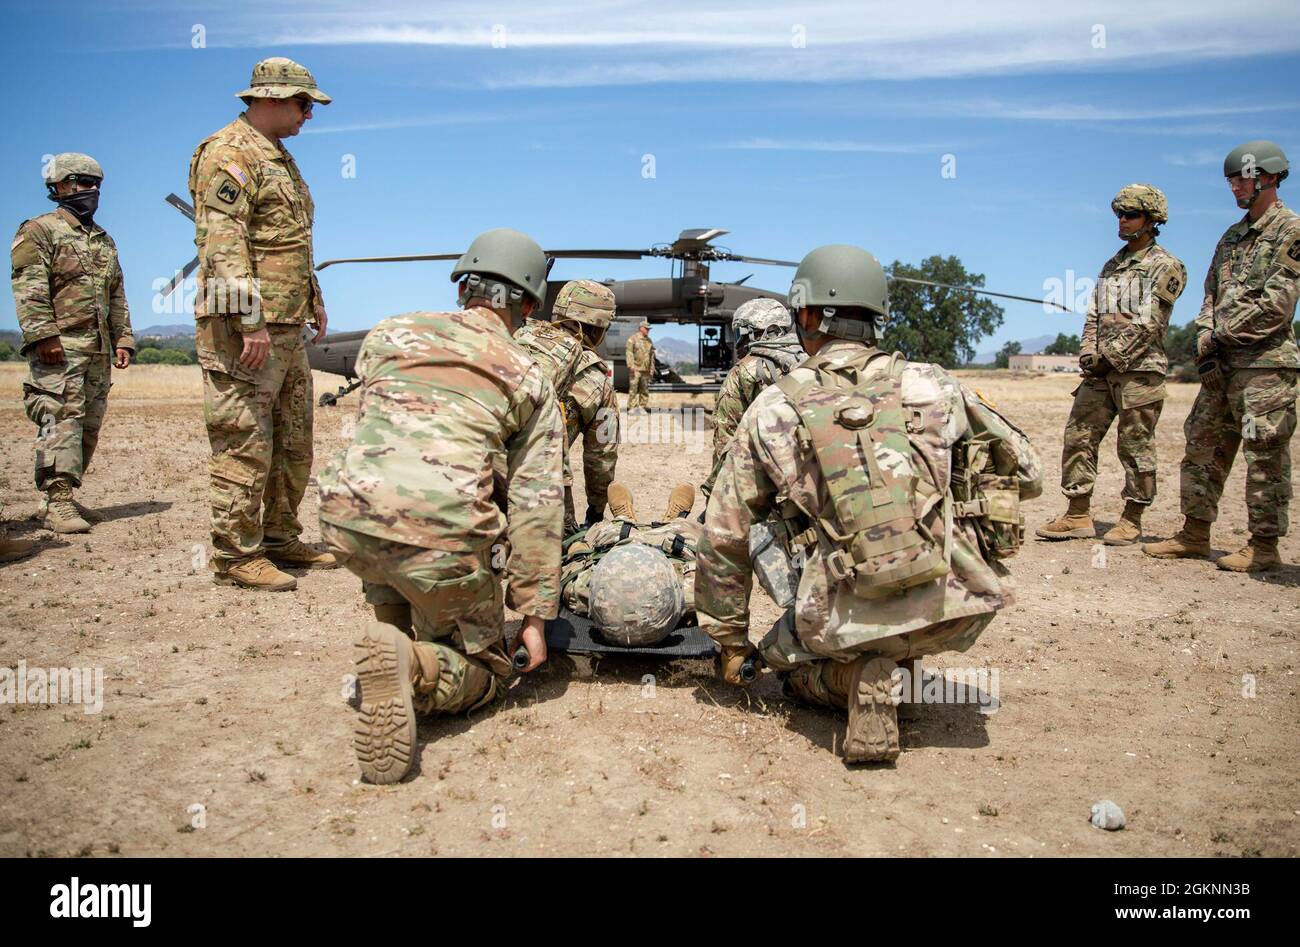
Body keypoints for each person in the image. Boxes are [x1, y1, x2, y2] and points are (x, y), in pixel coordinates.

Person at [696, 244, 1042, 763]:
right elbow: (1030, 474)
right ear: (877, 315)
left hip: (834, 617)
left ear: (808, 314)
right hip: (954, 608)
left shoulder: (774, 407)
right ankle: (897, 666)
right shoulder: (937, 384)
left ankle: (849, 676)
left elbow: (725, 534)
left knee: (789, 670)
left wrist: (732, 641)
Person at [318, 228, 565, 784]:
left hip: (347, 520)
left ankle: (394, 633)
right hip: (438, 541)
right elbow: (537, 503)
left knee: (392, 510)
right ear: (527, 303)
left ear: (463, 288)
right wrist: (532, 615)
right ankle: (416, 665)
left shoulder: (388, 334)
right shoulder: (527, 374)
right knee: (487, 672)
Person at [188, 57, 337, 591]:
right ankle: (235, 555)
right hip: (246, 328)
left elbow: (291, 242)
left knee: (293, 441)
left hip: (286, 323)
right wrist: (248, 319)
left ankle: (278, 536)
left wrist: (313, 297)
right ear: (272, 98)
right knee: (245, 439)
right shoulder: (228, 152)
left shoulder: (280, 160)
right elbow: (223, 243)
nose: (308, 116)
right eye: (304, 104)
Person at [1144, 140, 1299, 572]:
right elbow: (1210, 294)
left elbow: (1277, 305)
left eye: (1242, 178)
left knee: (1264, 453)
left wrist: (1220, 336)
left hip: (1266, 366)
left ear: (1268, 177)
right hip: (1222, 366)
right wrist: (1205, 336)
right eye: (1231, 180)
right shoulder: (1230, 236)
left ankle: (1263, 546)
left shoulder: (1292, 231)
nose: (1234, 187)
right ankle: (1194, 534)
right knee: (1202, 443)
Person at [1037, 184, 1187, 545]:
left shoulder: (1168, 266)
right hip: (1100, 373)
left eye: (1130, 214)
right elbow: (1094, 315)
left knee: (1135, 447)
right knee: (1078, 435)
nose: (1122, 220)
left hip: (1139, 372)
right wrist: (1089, 351)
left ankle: (1132, 519)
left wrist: (1110, 356)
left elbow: (1150, 323)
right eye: (1119, 214)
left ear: (1151, 220)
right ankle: (1077, 514)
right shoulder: (1112, 264)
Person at [11, 152, 134, 534]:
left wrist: (123, 338)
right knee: (60, 420)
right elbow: (29, 290)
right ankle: (56, 499)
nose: (90, 190)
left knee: (88, 425)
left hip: (96, 349)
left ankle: (65, 494)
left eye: (95, 183)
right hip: (59, 347)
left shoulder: (103, 240)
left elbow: (116, 294)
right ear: (59, 188)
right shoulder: (38, 231)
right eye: (81, 182)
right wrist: (43, 335)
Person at [514, 280, 620, 533]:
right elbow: (601, 458)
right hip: (541, 495)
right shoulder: (596, 378)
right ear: (598, 328)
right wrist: (596, 510)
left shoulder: (512, 336)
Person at [560, 482, 697, 645]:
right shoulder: (690, 593)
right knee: (684, 536)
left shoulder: (586, 593)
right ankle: (674, 520)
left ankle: (623, 519)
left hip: (621, 544)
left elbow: (573, 567)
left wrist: (578, 547)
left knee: (612, 534)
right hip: (668, 550)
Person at [701, 298, 804, 501]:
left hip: (767, 487)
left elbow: (726, 440)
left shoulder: (743, 371)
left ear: (754, 333)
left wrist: (715, 497)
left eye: (741, 333)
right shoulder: (811, 358)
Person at [624, 320, 655, 411]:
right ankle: (632, 407)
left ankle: (643, 406)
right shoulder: (632, 339)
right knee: (633, 389)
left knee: (644, 389)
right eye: (646, 329)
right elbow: (629, 352)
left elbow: (652, 355)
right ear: (641, 328)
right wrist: (630, 365)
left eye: (649, 329)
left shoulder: (649, 341)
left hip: (646, 370)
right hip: (636, 368)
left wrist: (652, 368)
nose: (648, 330)